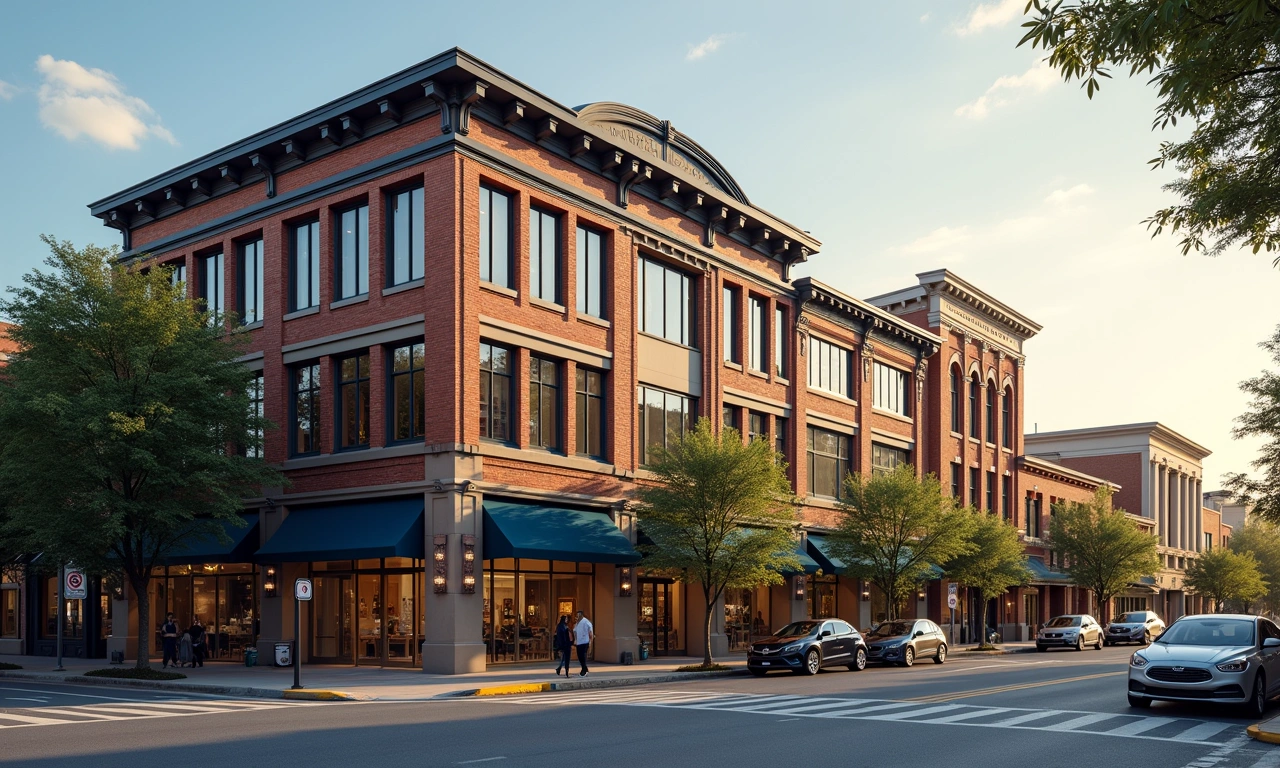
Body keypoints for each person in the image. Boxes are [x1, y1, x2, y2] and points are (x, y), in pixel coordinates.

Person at [573, 610, 593, 677]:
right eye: (577, 615)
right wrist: (575, 639)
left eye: (578, 615)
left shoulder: (586, 622)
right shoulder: (577, 623)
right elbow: (575, 631)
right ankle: (585, 668)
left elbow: (590, 632)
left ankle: (583, 670)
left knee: (583, 656)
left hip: (584, 641)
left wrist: (590, 641)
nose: (577, 617)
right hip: (579, 642)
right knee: (579, 656)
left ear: (581, 615)